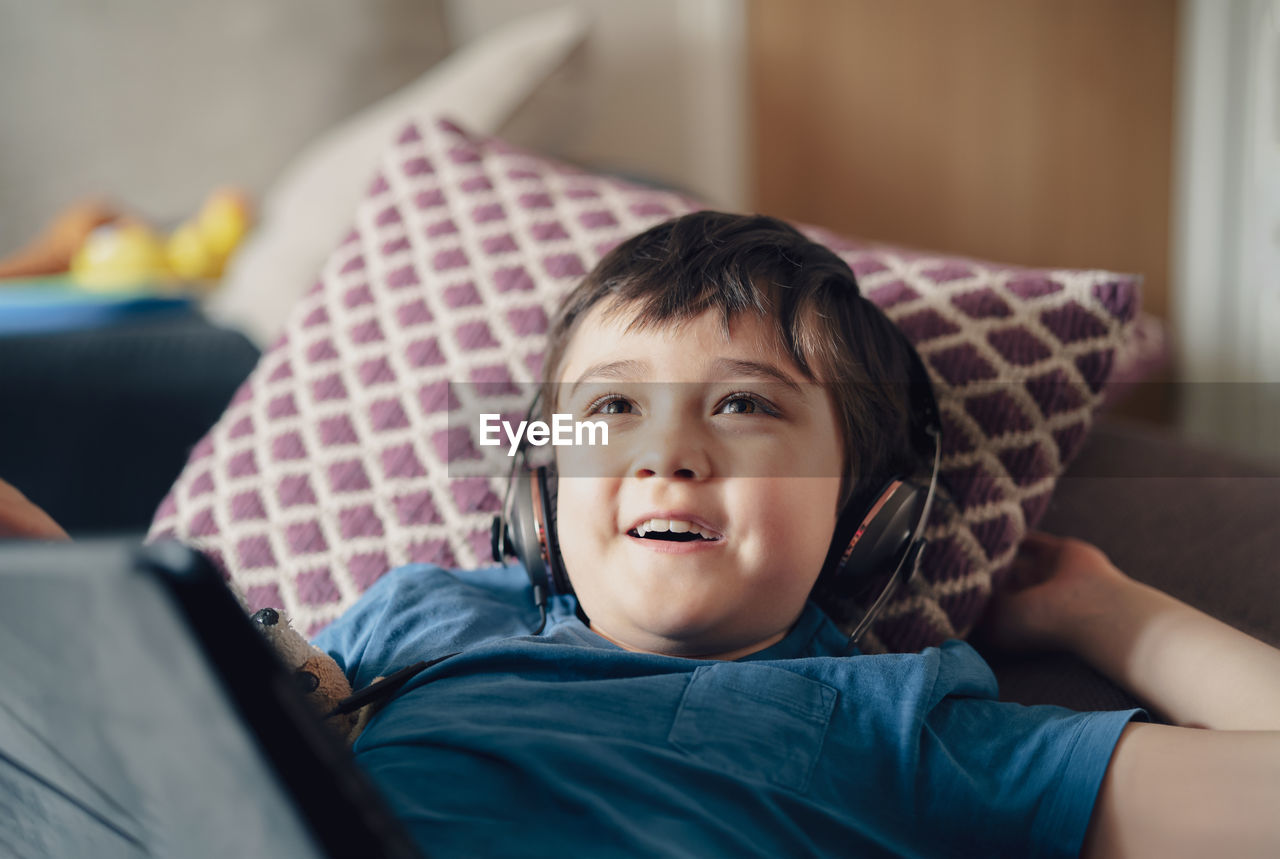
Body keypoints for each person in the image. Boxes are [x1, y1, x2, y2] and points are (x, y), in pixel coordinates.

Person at [3, 212, 1278, 857]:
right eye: (608, 411)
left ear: (870, 526)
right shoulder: (422, 610)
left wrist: (1110, 610)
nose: (666, 453)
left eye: (744, 408)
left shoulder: (895, 721)